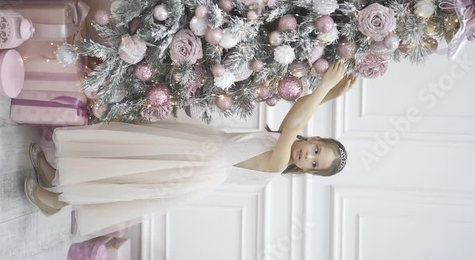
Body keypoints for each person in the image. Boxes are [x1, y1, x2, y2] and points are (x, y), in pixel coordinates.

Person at [23, 61, 355, 241]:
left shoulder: (279, 161)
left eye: (314, 164)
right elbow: (295, 115)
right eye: (316, 150)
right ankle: (58, 176)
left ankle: (57, 200)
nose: (308, 156)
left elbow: (295, 122)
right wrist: (331, 96)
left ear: (306, 171)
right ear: (317, 139)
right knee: (129, 156)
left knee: (130, 176)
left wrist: (324, 85)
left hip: (195, 167)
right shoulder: (282, 139)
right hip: (200, 147)